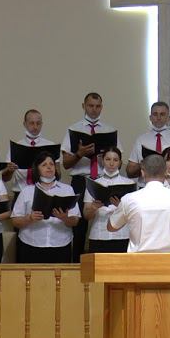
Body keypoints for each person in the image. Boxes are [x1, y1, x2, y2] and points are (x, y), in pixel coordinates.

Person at [60, 93, 122, 263]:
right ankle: (77, 265)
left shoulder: (110, 130)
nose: (94, 109)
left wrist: (104, 158)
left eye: (97, 106)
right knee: (79, 226)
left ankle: (106, 261)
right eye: (90, 105)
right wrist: (79, 154)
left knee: (106, 217)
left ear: (102, 107)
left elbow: (119, 159)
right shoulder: (73, 129)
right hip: (81, 180)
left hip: (104, 180)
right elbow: (65, 163)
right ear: (84, 106)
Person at [108, 155, 170, 253]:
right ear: (165, 172)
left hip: (138, 262)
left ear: (142, 172)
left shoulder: (128, 199)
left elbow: (111, 227)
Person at [11, 151, 81, 263]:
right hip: (31, 244)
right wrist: (29, 218)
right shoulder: (26, 191)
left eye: (51, 164)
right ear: (37, 169)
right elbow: (15, 221)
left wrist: (64, 218)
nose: (49, 167)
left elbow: (75, 221)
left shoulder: (67, 190)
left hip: (60, 244)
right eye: (44, 165)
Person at [83, 147, 136, 253]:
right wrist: (93, 208)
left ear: (120, 163)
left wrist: (121, 206)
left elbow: (135, 215)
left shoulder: (129, 183)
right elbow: (86, 215)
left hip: (122, 235)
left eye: (115, 160)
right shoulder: (93, 184)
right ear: (103, 161)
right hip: (98, 235)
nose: (111, 163)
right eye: (108, 159)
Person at [126, 101, 170, 186]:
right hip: (146, 187)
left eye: (162, 114)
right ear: (150, 117)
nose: (159, 117)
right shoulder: (141, 140)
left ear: (168, 118)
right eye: (155, 114)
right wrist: (144, 164)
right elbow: (130, 171)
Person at [3, 109, 58, 205]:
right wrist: (10, 170)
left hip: (44, 193)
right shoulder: (15, 147)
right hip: (20, 193)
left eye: (38, 123)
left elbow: (58, 175)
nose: (35, 127)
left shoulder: (50, 146)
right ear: (25, 124)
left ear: (42, 124)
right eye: (31, 123)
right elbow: (5, 178)